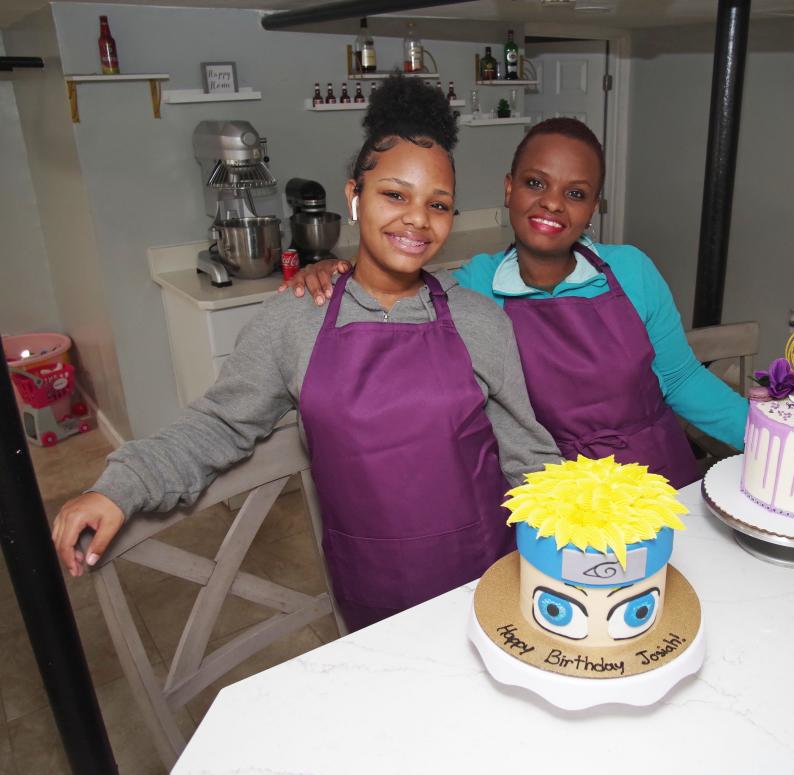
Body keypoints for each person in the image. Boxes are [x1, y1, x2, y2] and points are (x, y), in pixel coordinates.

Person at [52, 77, 560, 632]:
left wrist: (573, 559)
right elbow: (219, 424)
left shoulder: (480, 321)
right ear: (353, 196)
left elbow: (529, 460)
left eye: (438, 205)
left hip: (486, 578)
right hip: (371, 587)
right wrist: (118, 488)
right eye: (395, 194)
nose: (417, 218)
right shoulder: (296, 319)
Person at [280, 117, 747, 489]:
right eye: (536, 183)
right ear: (509, 188)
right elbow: (389, 298)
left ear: (594, 208)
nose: (553, 204)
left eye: (576, 194)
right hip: (547, 494)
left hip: (657, 485)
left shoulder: (631, 270)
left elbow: (682, 379)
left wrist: (773, 438)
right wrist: (332, 273)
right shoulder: (471, 287)